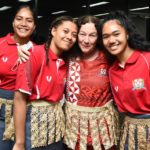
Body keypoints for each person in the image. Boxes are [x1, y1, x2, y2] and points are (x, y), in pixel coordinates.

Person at [12, 15, 78, 150]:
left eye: (74, 34)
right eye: (65, 31)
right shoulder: (34, 53)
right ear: (53, 31)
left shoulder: (66, 60)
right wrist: (19, 142)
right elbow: (19, 99)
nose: (70, 37)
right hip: (34, 123)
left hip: (57, 125)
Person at [63, 15, 118, 150]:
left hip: (102, 133)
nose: (86, 40)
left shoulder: (109, 58)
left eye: (92, 35)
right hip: (73, 132)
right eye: (82, 34)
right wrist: (24, 48)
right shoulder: (67, 56)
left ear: (98, 37)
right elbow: (47, 51)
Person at [100, 10, 150, 150]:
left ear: (127, 34)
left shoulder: (147, 60)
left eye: (116, 34)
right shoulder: (112, 70)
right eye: (106, 37)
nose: (111, 40)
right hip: (128, 130)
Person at [0, 4, 36, 150]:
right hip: (2, 112)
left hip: (28, 114)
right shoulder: (1, 44)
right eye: (19, 19)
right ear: (13, 22)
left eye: (29, 20)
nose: (23, 24)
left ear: (34, 26)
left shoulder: (37, 51)